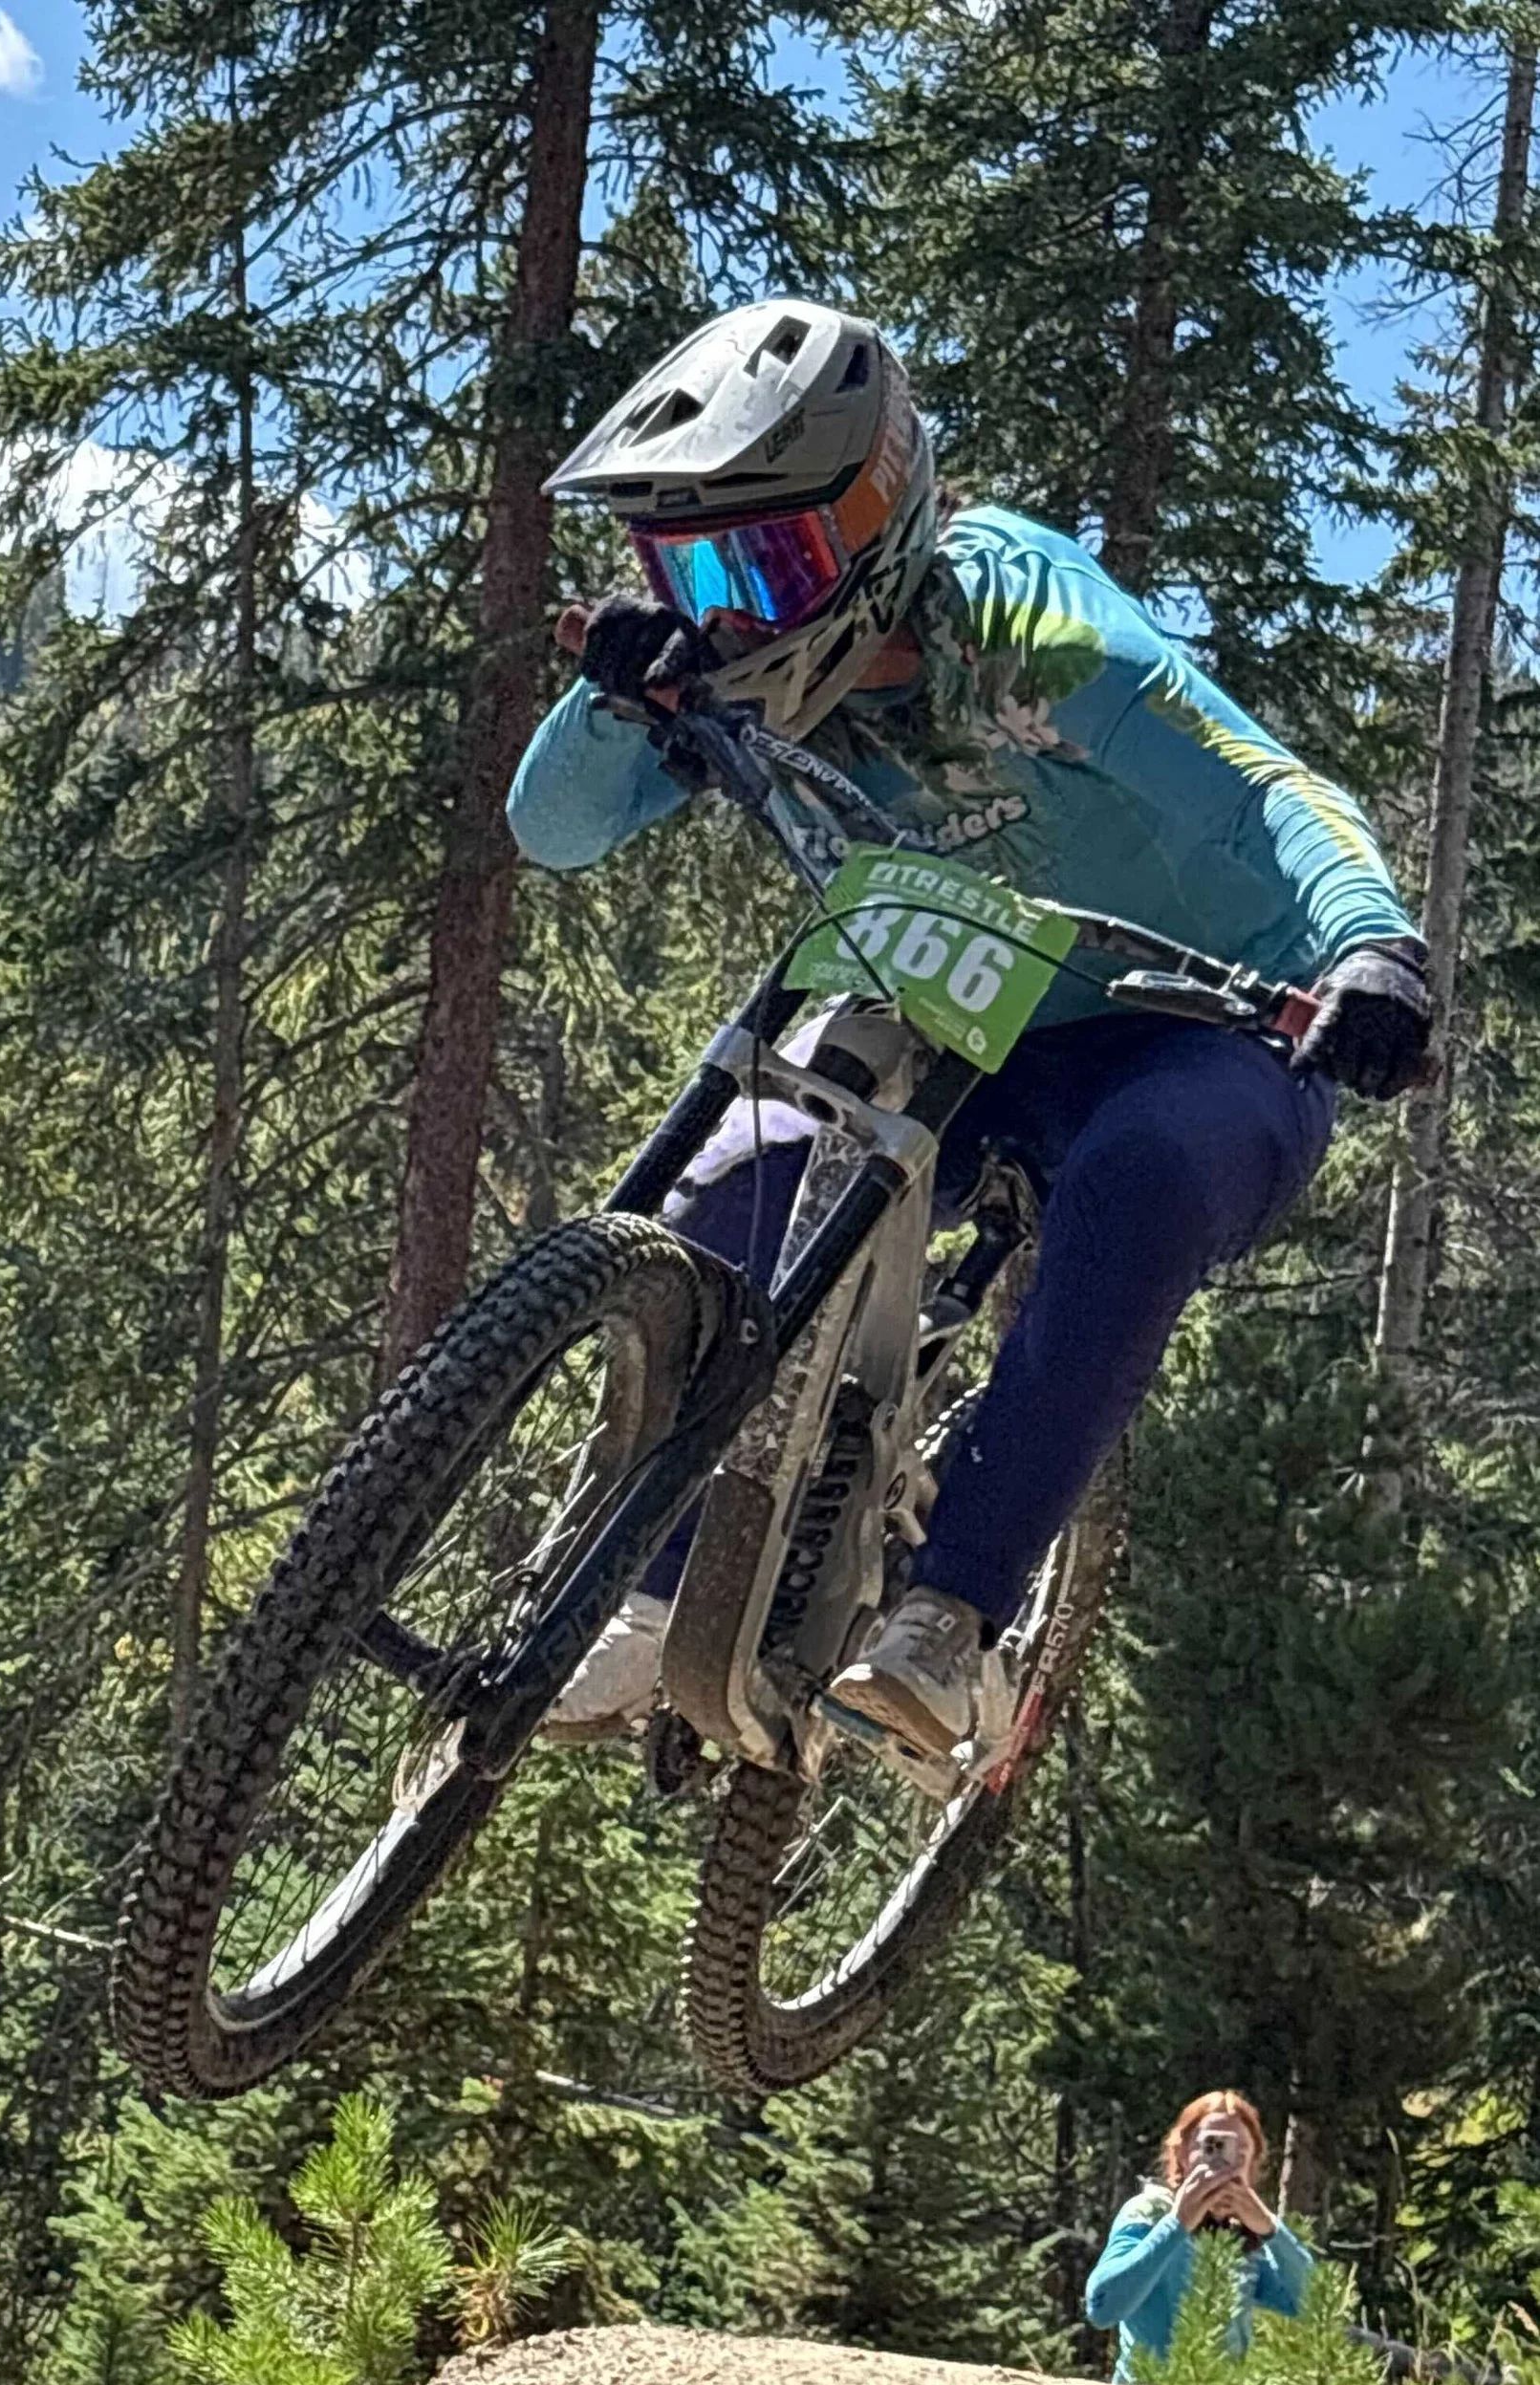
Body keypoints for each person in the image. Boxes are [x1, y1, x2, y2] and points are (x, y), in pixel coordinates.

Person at [519, 298, 1430, 1763]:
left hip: (1204, 1019)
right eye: (692, 567)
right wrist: (614, 695)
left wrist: (1375, 946)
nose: (733, 608)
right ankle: (658, 1589)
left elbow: (1270, 787)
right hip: (961, 1007)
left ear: (878, 525)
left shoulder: (1040, 641)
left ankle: (958, 1608)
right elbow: (551, 830)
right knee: (729, 1196)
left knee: (1139, 1178)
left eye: (765, 560)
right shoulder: (745, 656)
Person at [1084, 2091, 1312, 2383]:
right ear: (1181, 2153)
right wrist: (1177, 2224)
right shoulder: (1150, 2212)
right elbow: (1102, 2308)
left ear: (1254, 2162)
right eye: (1212, 2146)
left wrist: (1270, 2229)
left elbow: (1310, 2304)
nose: (1225, 2163)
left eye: (1239, 2153)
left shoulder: (1241, 2238)